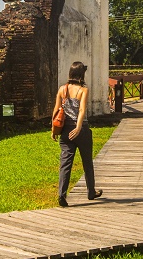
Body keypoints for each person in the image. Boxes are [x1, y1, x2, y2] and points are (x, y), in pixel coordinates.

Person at [51, 61, 102, 207]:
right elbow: (81, 110)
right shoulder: (83, 90)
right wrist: (79, 127)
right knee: (87, 162)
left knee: (65, 163)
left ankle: (61, 195)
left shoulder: (62, 89)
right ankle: (91, 191)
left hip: (65, 130)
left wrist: (53, 129)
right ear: (81, 74)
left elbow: (56, 110)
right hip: (81, 130)